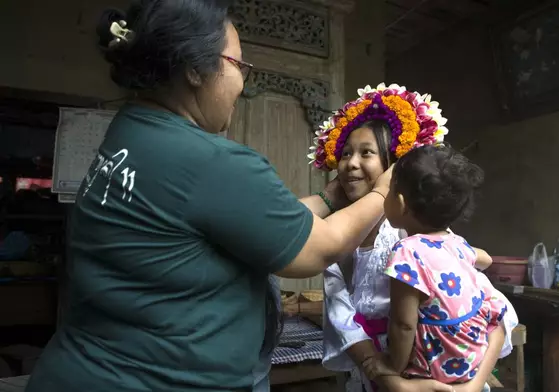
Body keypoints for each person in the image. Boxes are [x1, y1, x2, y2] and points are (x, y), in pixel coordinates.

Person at [25, 2, 394, 392]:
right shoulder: (208, 160)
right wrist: (388, 188)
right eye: (238, 65)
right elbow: (320, 249)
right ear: (194, 68)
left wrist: (331, 196)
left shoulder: (131, 132)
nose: (243, 82)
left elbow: (261, 225)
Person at [312, 83, 519, 392]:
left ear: (392, 170)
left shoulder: (419, 234)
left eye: (366, 153)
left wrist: (474, 384)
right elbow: (342, 318)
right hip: (377, 373)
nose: (351, 163)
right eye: (345, 154)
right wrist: (391, 381)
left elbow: (494, 311)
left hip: (433, 374)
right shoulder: (333, 235)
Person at [363, 145, 508, 387]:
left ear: (400, 203)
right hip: (471, 358)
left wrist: (391, 365)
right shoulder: (456, 243)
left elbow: (404, 324)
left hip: (437, 368)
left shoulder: (406, 252)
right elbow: (486, 259)